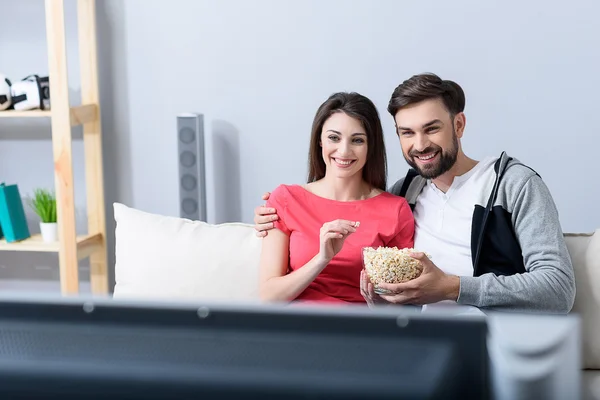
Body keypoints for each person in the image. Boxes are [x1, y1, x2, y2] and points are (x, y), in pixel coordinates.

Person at [255, 73, 576, 314]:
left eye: (432, 128)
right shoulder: (407, 194)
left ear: (459, 125)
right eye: (407, 132)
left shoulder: (513, 184)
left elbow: (559, 289)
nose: (420, 144)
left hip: (494, 341)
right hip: (420, 343)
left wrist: (453, 287)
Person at [258, 91, 415, 304]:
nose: (344, 151)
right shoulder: (285, 199)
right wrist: (322, 259)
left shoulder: (395, 209)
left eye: (357, 140)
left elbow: (403, 301)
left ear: (370, 147)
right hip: (298, 327)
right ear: (320, 140)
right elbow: (268, 296)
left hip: (362, 330)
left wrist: (379, 303)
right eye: (334, 137)